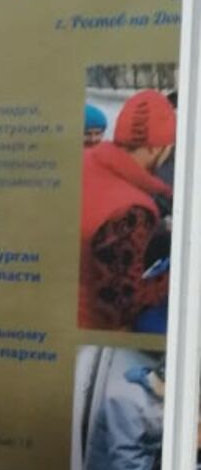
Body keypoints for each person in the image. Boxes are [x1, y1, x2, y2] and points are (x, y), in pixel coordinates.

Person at [78, 89, 174, 331]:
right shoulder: (131, 211)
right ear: (155, 148)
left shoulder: (86, 160)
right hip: (91, 328)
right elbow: (122, 307)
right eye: (169, 147)